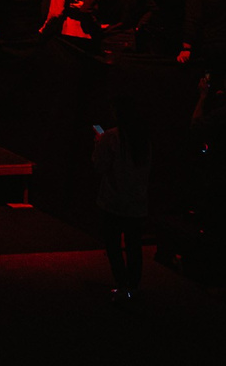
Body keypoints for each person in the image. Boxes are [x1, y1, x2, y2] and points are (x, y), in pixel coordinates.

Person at [93, 96, 152, 303]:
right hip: (137, 202)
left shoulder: (111, 137)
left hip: (113, 201)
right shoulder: (144, 140)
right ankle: (133, 286)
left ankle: (122, 284)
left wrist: (98, 144)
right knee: (134, 246)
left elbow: (99, 166)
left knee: (113, 245)